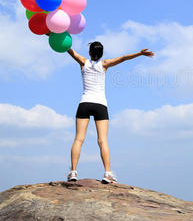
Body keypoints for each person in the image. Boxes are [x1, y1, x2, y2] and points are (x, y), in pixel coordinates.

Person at [66, 41, 155, 183]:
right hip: (100, 105)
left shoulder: (83, 62)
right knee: (102, 141)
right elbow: (124, 58)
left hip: (85, 103)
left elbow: (68, 49)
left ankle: (73, 172)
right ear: (101, 54)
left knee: (78, 139)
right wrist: (140, 53)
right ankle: (107, 173)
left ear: (89, 52)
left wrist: (52, 34)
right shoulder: (104, 64)